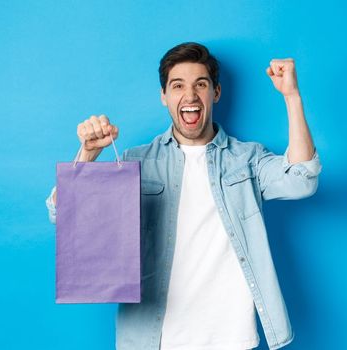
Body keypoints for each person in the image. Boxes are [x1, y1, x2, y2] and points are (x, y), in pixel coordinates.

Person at [45, 42, 321, 350]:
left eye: (200, 85)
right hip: (153, 339)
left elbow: (301, 181)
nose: (190, 96)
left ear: (215, 93)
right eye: (178, 86)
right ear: (164, 96)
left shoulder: (247, 159)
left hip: (231, 338)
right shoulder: (137, 161)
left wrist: (292, 97)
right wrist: (87, 155)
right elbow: (65, 215)